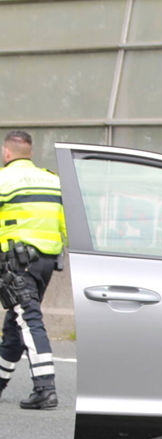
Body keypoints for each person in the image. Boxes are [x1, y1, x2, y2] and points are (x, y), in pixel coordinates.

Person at [0, 131, 65, 409]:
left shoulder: (3, 179)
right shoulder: (53, 180)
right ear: (30, 152)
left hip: (18, 260)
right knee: (15, 323)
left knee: (28, 319)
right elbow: (63, 224)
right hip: (47, 261)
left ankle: (45, 388)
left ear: (6, 153)